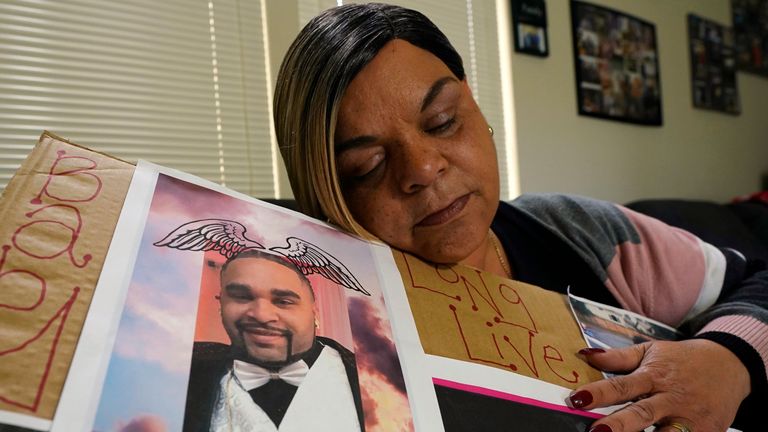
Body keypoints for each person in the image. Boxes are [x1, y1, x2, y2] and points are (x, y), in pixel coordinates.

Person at [273, 3, 768, 432]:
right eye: (369, 165)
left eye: (443, 120)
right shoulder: (317, 323)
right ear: (326, 190)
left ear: (474, 102)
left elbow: (757, 278)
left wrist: (729, 357)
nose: (423, 168)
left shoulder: (576, 231)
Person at [183, 250, 364, 432]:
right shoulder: (185, 366)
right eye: (242, 297)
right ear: (221, 305)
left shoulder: (366, 377)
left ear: (314, 313)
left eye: (283, 301)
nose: (262, 315)